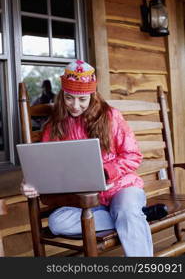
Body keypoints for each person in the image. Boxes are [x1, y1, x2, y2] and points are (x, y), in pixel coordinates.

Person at [21, 59, 153, 257]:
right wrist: (30, 183)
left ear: (93, 96)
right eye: (69, 98)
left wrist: (106, 172)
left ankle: (130, 217)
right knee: (58, 223)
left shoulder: (111, 116)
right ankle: (134, 217)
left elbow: (133, 155)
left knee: (126, 210)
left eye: (82, 99)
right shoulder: (54, 126)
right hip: (85, 201)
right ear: (61, 95)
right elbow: (44, 165)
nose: (75, 105)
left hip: (121, 188)